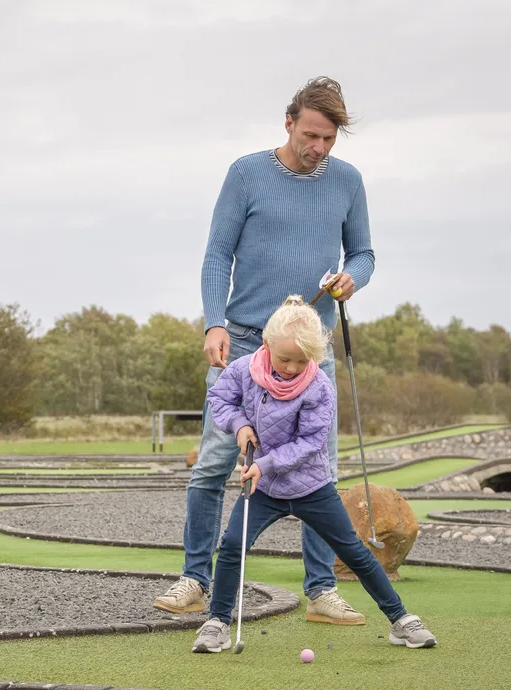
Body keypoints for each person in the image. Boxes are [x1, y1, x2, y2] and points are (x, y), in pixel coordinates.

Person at [154, 76, 376, 625]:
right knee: (213, 464)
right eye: (311, 135)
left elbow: (365, 253)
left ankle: (321, 591)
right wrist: (213, 323)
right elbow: (216, 255)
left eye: (329, 139)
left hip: (310, 349)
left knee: (318, 469)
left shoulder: (347, 181)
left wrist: (352, 279)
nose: (319, 148)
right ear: (289, 122)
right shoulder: (246, 173)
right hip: (245, 342)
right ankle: (195, 581)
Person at [190, 297, 436, 652]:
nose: (291, 368)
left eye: (301, 361)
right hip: (263, 487)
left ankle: (400, 620)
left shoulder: (319, 386)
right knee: (231, 546)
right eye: (284, 359)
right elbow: (220, 399)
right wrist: (240, 425)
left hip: (310, 485)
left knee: (353, 551)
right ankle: (217, 623)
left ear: (315, 357)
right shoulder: (243, 370)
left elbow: (309, 443)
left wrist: (264, 463)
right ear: (267, 345)